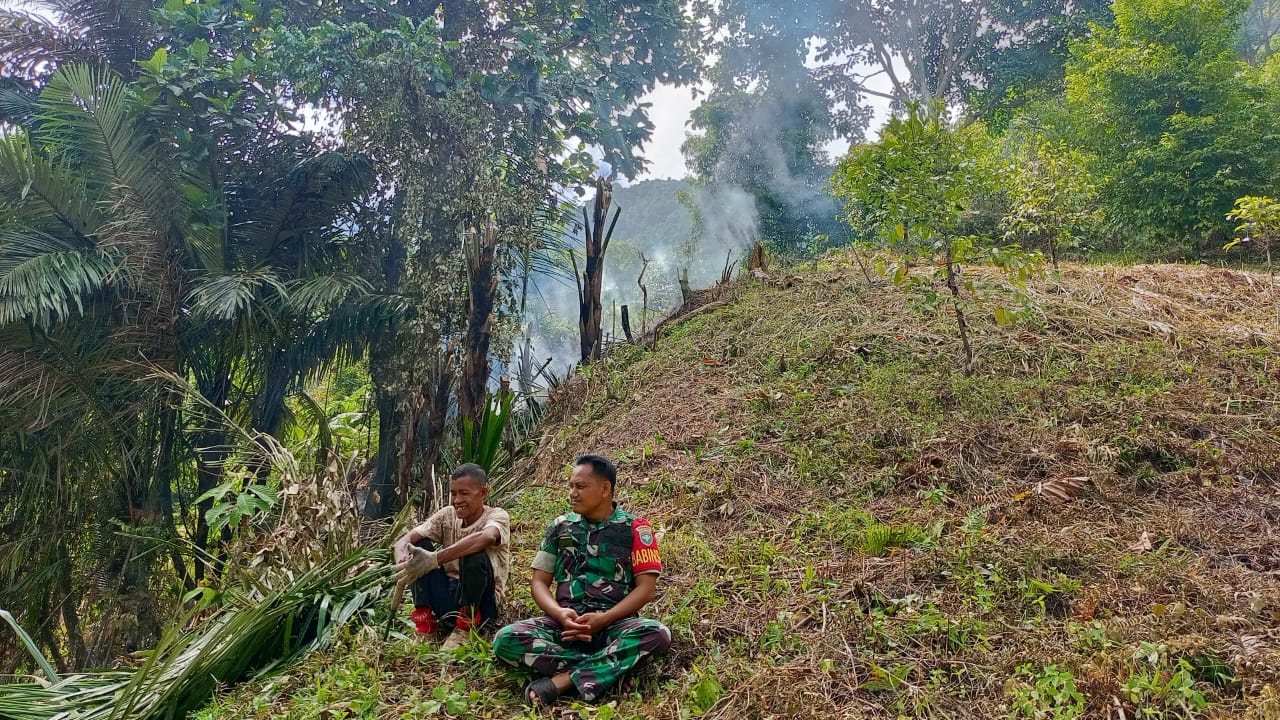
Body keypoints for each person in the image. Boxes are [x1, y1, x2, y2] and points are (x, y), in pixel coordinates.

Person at [493, 454, 671, 706]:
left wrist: (604, 619)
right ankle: (607, 671)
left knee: (657, 633)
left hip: (614, 625)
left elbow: (647, 589)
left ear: (605, 489)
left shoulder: (636, 528)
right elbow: (539, 582)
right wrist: (559, 614)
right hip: (565, 626)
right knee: (506, 639)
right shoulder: (560, 527)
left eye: (580, 486)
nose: (572, 493)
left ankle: (563, 681)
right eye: (571, 486)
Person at [392, 463, 511, 650]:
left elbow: (486, 537)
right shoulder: (447, 515)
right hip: (449, 597)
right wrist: (403, 559)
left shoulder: (497, 516)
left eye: (464, 493)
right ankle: (425, 625)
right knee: (418, 547)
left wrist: (434, 559)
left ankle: (465, 627)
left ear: (483, 493)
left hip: (483, 603)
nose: (457, 500)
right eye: (453, 493)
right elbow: (405, 539)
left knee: (473, 552)